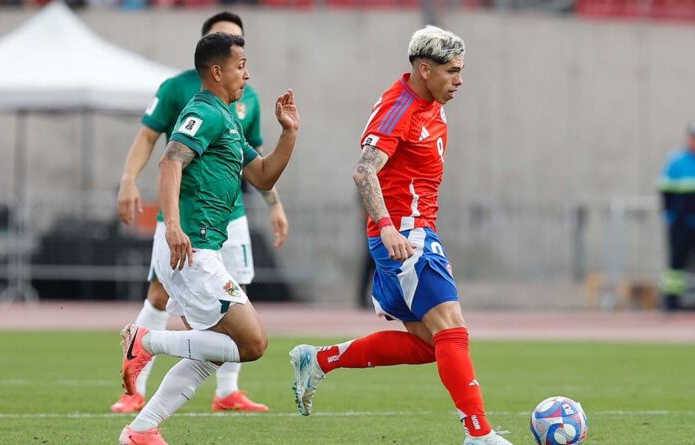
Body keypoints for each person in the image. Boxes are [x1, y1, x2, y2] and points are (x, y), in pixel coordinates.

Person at [289, 26, 513, 445]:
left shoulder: (431, 102)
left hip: (416, 231)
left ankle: (319, 359)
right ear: (424, 70)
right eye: (452, 71)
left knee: (430, 345)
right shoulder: (400, 108)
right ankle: (479, 433)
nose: (460, 80)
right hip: (407, 236)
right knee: (452, 328)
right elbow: (363, 170)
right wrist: (390, 227)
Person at [117, 32, 299, 445]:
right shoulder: (203, 111)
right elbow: (169, 162)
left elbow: (264, 175)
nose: (247, 74)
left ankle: (141, 431)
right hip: (191, 246)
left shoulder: (228, 116)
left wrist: (288, 133)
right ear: (217, 71)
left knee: (212, 351)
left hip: (199, 246)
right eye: (241, 66)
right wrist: (175, 225)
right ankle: (147, 339)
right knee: (253, 343)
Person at [659, 122, 695, 311]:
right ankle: (671, 301)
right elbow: (665, 193)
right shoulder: (676, 162)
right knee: (676, 263)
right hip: (681, 224)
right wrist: (672, 216)